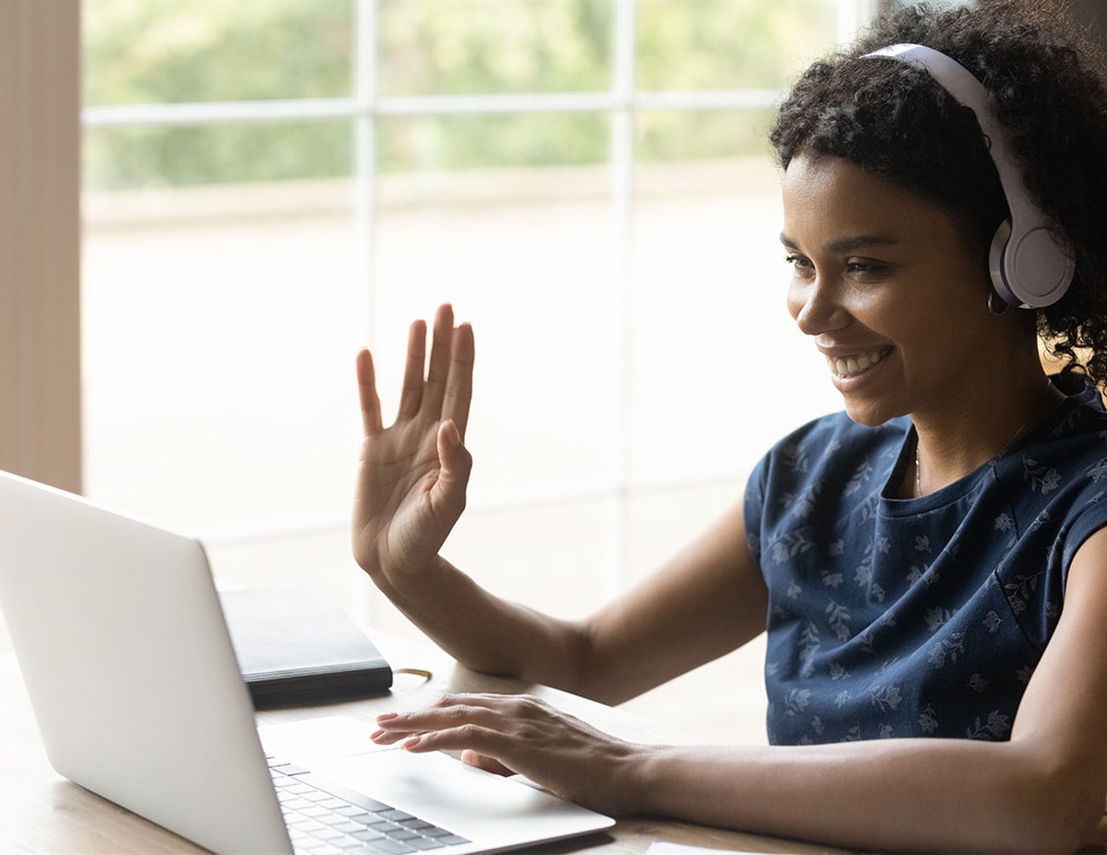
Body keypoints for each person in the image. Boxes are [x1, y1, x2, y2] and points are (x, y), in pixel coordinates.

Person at [352, 1, 1107, 851]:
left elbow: (1042, 797)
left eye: (865, 267)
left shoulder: (1091, 508)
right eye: (799, 263)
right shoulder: (812, 477)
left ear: (1022, 259)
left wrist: (629, 769)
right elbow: (586, 660)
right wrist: (407, 570)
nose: (813, 311)